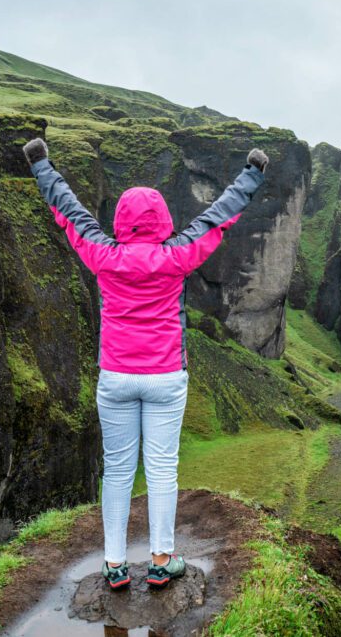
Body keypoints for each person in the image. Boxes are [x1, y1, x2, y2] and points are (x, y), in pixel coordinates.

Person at [23, 138, 268, 589]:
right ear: (163, 221)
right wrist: (252, 173)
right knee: (161, 467)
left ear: (119, 220)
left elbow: (70, 210)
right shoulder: (176, 256)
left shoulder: (103, 255)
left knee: (117, 468)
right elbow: (218, 216)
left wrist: (41, 165)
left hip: (115, 377)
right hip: (165, 378)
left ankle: (115, 565)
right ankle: (161, 561)